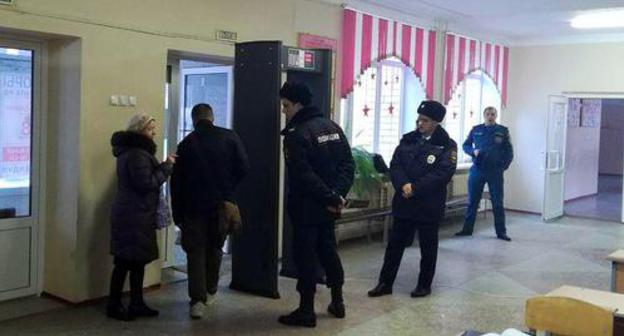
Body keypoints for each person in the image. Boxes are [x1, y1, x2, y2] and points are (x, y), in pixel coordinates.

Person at [277, 82, 355, 328]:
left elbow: (303, 175)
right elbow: (347, 165)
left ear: (298, 104)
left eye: (286, 106)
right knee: (328, 251)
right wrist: (336, 196)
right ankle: (337, 302)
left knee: (306, 257)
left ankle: (306, 310)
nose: (284, 111)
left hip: (306, 207)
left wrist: (330, 197)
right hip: (328, 208)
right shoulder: (332, 127)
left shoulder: (297, 134)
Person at [368, 100, 457, 299]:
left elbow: (443, 173)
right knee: (394, 246)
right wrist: (403, 185)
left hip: (428, 204)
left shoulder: (447, 145)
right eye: (418, 120)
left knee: (428, 248)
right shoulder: (408, 140)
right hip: (405, 202)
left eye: (424, 121)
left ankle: (424, 285)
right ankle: (385, 283)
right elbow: (396, 164)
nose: (419, 124)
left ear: (435, 122)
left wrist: (415, 188)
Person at [170, 103, 249, 319]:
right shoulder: (229, 137)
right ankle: (211, 289)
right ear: (212, 117)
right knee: (215, 248)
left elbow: (176, 184)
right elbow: (244, 167)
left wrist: (177, 214)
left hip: (193, 207)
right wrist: (228, 190)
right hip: (221, 206)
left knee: (195, 253)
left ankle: (197, 301)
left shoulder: (186, 144)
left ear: (193, 120)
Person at [108, 113, 176, 321]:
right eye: (150, 129)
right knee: (124, 263)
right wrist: (166, 167)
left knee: (135, 263)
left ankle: (135, 303)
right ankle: (115, 306)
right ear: (139, 131)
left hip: (135, 214)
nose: (154, 132)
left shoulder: (132, 152)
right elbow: (146, 183)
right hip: (134, 216)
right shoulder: (138, 154)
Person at [455, 106, 514, 241]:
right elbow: (465, 145)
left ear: (496, 115)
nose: (490, 116)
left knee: (497, 203)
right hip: (478, 170)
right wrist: (472, 151)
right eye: (487, 114)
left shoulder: (502, 131)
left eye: (492, 114)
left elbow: (509, 152)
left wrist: (503, 166)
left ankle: (501, 232)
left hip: (495, 172)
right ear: (484, 115)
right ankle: (467, 229)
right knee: (472, 202)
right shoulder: (476, 130)